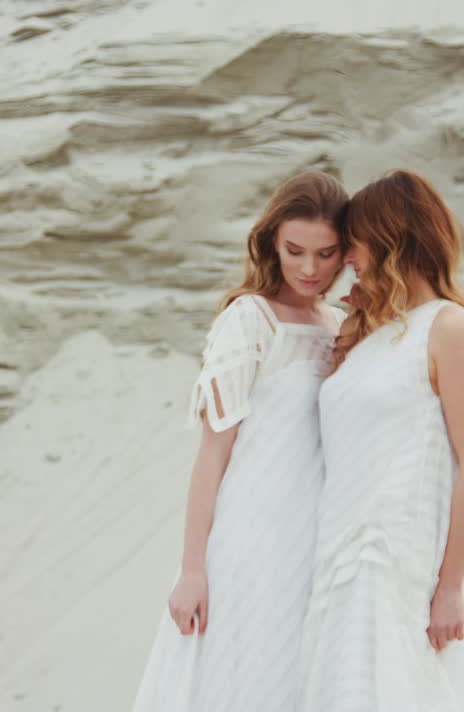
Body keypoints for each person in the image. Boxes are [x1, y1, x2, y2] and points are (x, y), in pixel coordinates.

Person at [132, 170, 350, 712]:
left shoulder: (341, 324)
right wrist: (191, 571)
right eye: (295, 250)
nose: (308, 268)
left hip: (319, 544)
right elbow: (212, 456)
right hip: (252, 542)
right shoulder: (249, 320)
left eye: (326, 254)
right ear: (271, 242)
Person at [298, 169, 464, 711]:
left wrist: (450, 585)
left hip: (397, 562)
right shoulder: (370, 333)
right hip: (337, 560)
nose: (346, 260)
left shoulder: (449, 328)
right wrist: (359, 319)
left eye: (354, 243)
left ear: (390, 240)